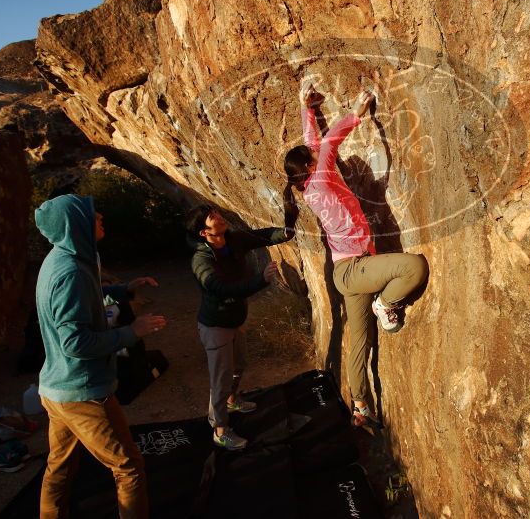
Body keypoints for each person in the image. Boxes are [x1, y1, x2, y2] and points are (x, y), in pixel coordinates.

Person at [282, 84, 429, 427]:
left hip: (346, 272)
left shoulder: (310, 186)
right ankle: (387, 303)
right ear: (309, 164)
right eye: (310, 154)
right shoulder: (321, 177)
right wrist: (357, 113)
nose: (315, 152)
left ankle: (360, 405)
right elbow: (329, 142)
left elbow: (316, 144)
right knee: (413, 267)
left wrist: (307, 109)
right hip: (355, 269)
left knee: (360, 341)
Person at [35, 194, 166, 519]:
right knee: (128, 467)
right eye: (92, 214)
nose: (101, 216)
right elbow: (75, 343)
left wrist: (125, 290)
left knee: (59, 467)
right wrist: (131, 331)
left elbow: (87, 299)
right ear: (75, 224)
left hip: (56, 390)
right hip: (83, 394)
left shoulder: (65, 259)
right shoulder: (72, 273)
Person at [185, 205, 293, 450]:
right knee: (221, 379)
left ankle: (232, 401)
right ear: (204, 232)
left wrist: (284, 232)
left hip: (235, 320)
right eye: (213, 217)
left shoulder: (233, 240)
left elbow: (262, 236)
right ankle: (220, 430)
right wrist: (260, 280)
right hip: (216, 326)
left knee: (239, 365)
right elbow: (221, 290)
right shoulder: (201, 260)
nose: (220, 216)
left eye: (217, 213)